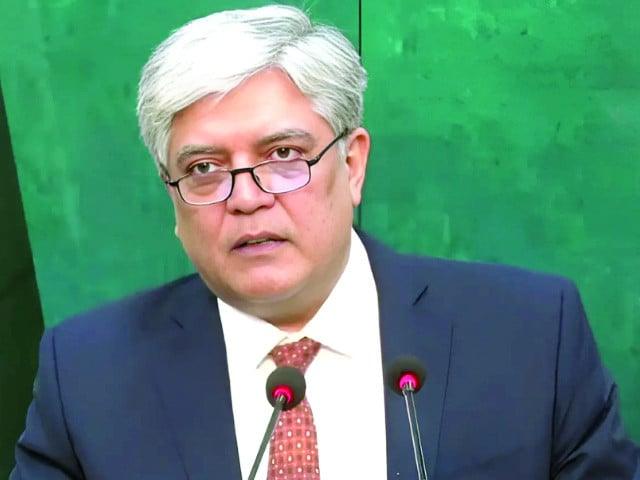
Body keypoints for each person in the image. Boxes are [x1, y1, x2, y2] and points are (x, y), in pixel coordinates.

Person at [11, 5, 639, 479]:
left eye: (284, 154)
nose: (246, 196)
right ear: (172, 196)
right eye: (203, 168)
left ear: (353, 165)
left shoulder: (531, 336)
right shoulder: (88, 377)